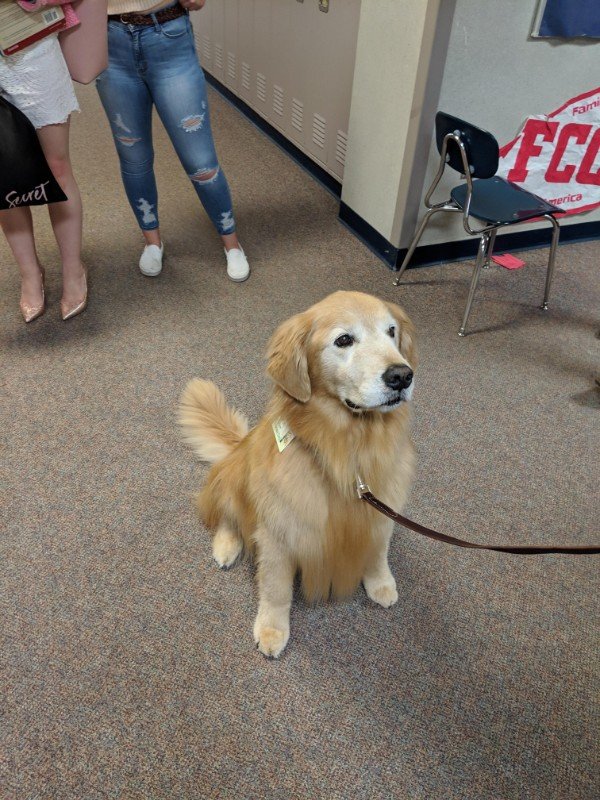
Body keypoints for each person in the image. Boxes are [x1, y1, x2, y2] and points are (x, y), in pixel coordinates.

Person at [96, 0, 250, 281]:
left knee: (200, 160)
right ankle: (153, 242)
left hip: (168, 36)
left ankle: (232, 243)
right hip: (109, 41)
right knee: (134, 157)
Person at [0, 0, 88, 322]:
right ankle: (30, 273)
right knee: (3, 172)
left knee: (57, 167)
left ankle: (73, 268)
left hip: (32, 49)